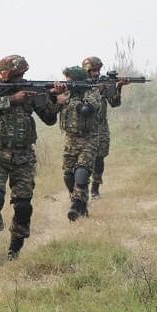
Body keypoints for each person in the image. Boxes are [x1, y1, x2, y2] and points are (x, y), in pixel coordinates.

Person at [0, 55, 64, 269]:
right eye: (17, 75)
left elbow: (49, 119)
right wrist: (13, 99)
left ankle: (15, 250)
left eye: (22, 75)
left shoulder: (32, 91)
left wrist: (54, 98)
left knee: (23, 206)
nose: (21, 78)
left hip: (24, 156)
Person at [55, 66, 102, 221]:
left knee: (81, 172)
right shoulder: (65, 93)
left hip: (89, 138)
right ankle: (81, 205)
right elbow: (50, 111)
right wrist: (55, 96)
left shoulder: (92, 92)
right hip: (70, 139)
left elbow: (86, 109)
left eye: (69, 81)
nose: (66, 84)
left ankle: (75, 205)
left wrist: (69, 100)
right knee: (68, 176)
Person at [81, 56, 130, 199]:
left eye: (98, 70)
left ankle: (95, 189)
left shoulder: (104, 82)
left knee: (99, 158)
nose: (96, 73)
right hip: (84, 128)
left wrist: (118, 87)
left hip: (101, 127)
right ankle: (80, 190)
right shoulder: (79, 85)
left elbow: (114, 103)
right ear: (86, 70)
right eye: (92, 70)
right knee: (83, 160)